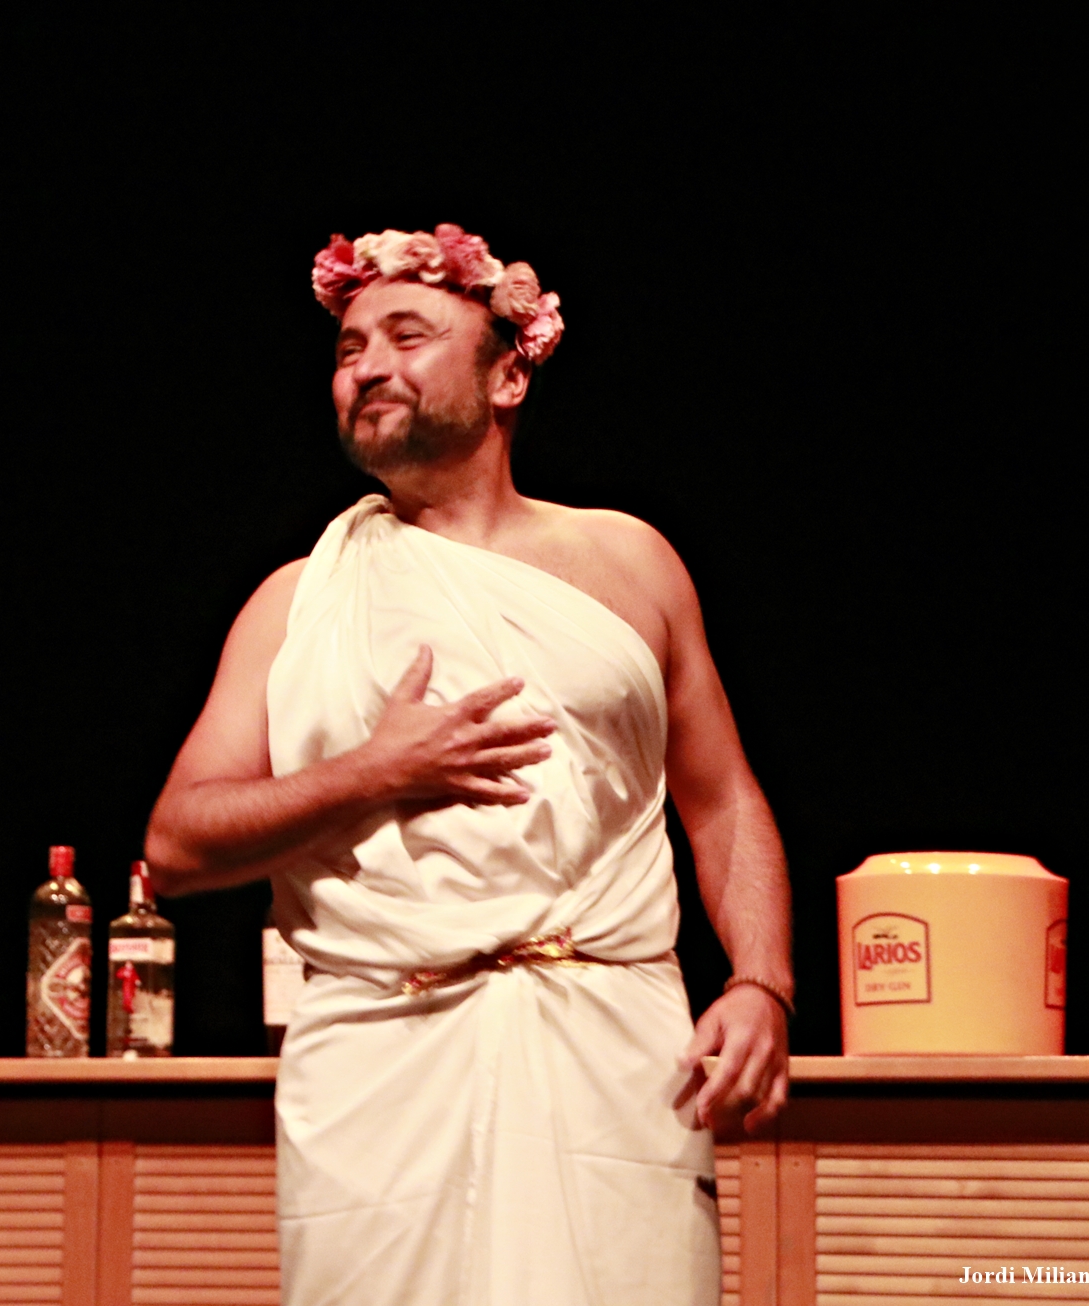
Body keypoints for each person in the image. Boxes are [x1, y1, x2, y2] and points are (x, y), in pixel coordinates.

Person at [144, 225, 793, 1306]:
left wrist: (761, 983)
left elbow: (721, 798)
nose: (368, 366)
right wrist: (372, 771)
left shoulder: (629, 561)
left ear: (507, 375)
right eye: (349, 348)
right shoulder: (294, 602)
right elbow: (174, 843)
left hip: (607, 1045)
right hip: (377, 1068)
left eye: (407, 336)